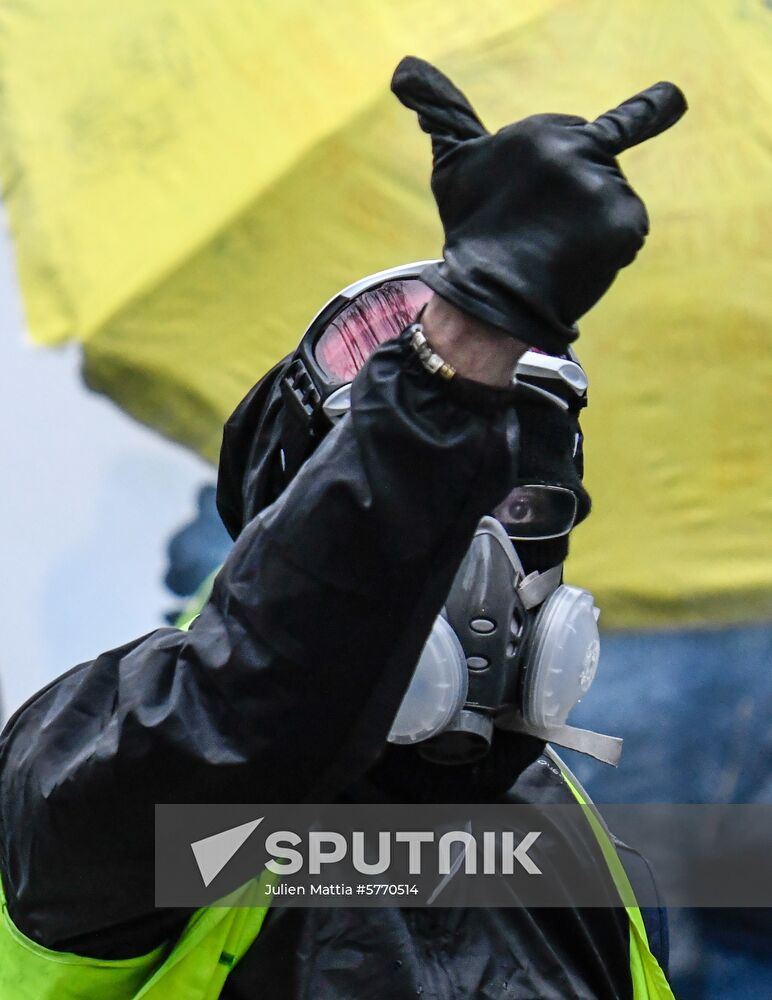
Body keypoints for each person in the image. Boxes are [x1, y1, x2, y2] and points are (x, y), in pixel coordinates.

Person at [0, 57, 686, 999]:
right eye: (431, 504)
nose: (484, 559)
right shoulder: (106, 766)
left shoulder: (576, 857)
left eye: (523, 511)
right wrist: (466, 342)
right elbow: (254, 706)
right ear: (296, 529)